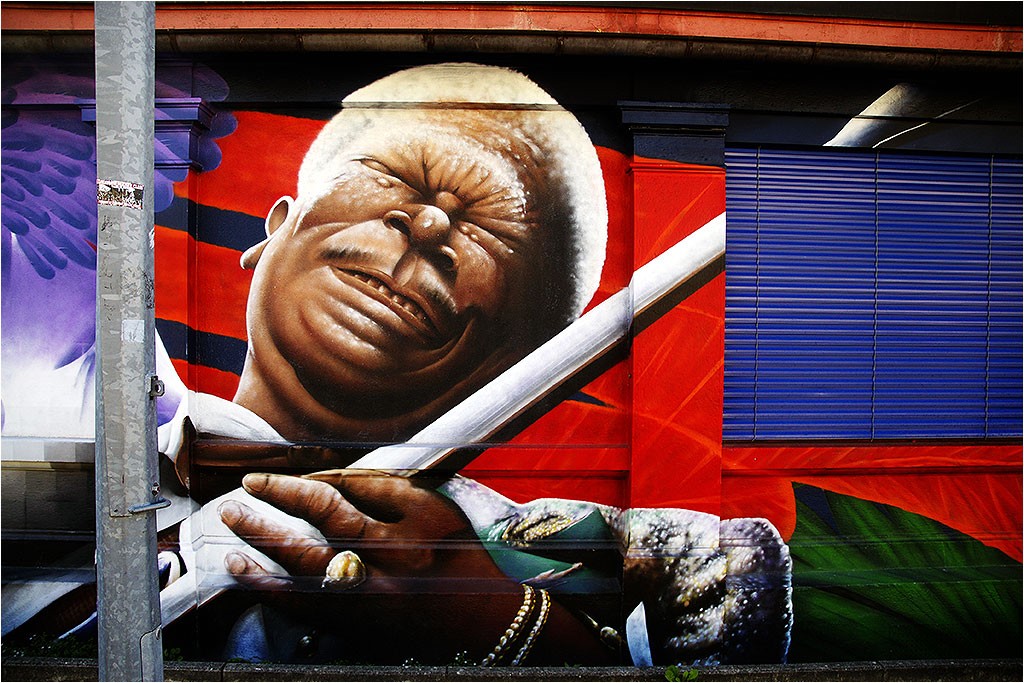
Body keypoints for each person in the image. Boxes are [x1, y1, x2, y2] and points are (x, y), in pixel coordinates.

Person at [153, 62, 792, 667]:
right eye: (391, 173)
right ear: (275, 229)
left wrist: (497, 618)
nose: (430, 224)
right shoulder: (118, 441)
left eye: (494, 230)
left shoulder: (551, 542)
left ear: (528, 362)